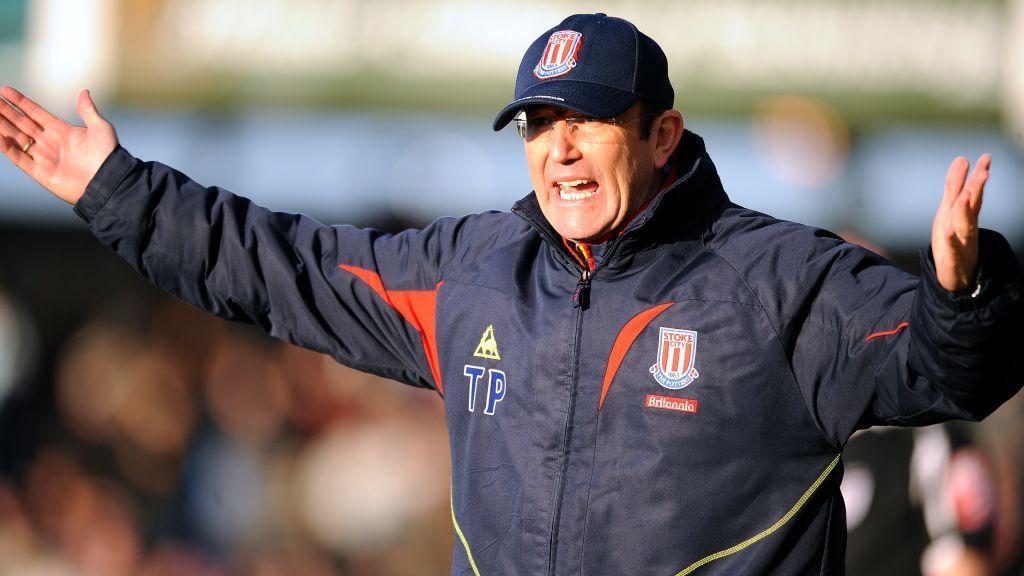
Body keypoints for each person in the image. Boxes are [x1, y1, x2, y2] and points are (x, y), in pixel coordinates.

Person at [1, 12, 1021, 576]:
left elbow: (946, 369)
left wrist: (963, 290)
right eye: (537, 124)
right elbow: (284, 266)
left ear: (662, 135)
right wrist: (115, 190)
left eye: (586, 121)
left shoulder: (778, 282)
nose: (559, 149)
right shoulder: (476, 272)